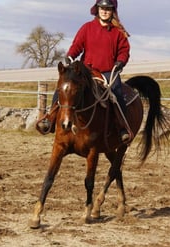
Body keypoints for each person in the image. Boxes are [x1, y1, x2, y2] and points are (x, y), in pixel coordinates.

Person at [38, 0, 131, 143]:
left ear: (113, 11)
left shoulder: (118, 32)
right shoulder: (87, 27)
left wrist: (120, 62)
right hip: (86, 70)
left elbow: (124, 50)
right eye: (102, 8)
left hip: (107, 72)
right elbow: (77, 45)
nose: (105, 11)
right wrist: (70, 56)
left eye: (108, 8)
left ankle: (122, 128)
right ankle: (50, 119)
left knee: (117, 94)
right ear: (97, 9)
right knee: (63, 87)